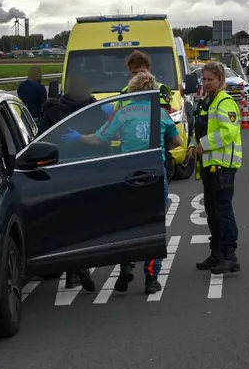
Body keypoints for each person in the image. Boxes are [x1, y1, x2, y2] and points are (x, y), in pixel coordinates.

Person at [63, 71, 181, 295]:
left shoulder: (122, 113)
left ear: (132, 90)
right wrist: (160, 147)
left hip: (130, 174)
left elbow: (99, 138)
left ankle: (126, 265)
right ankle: (151, 278)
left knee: (128, 222)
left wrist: (78, 137)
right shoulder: (161, 113)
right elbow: (177, 141)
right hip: (155, 171)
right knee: (155, 225)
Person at [35, 74, 99, 293]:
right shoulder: (95, 110)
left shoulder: (54, 110)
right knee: (87, 222)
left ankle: (71, 268)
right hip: (89, 170)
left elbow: (39, 139)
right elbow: (105, 138)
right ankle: (79, 266)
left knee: (66, 221)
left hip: (59, 170)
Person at [188, 61, 242, 275]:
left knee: (223, 210)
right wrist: (193, 145)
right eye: (204, 79)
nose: (207, 83)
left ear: (221, 80)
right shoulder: (206, 102)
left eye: (211, 79)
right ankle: (217, 253)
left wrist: (204, 144)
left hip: (223, 165)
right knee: (211, 211)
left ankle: (230, 256)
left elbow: (229, 131)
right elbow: (199, 130)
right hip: (209, 165)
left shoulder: (225, 102)